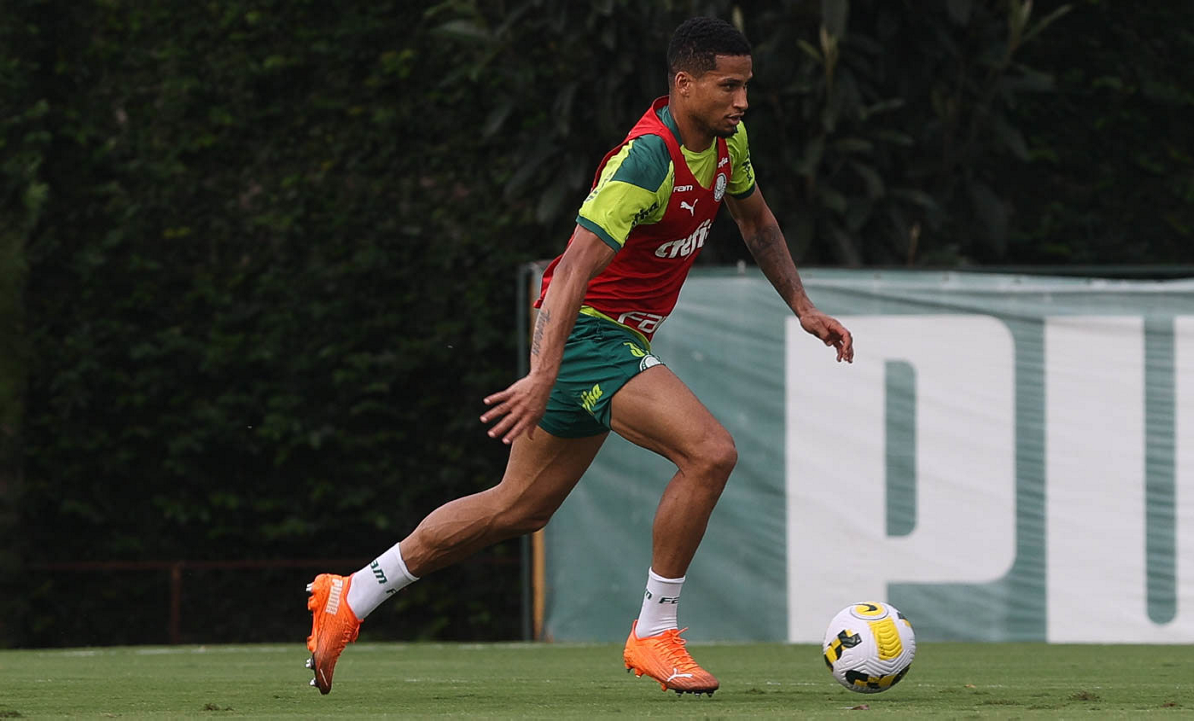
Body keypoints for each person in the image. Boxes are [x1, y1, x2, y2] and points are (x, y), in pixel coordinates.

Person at [304, 16, 853, 697]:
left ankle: (353, 594)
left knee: (516, 508)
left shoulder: (728, 143)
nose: (742, 102)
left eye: (746, 87)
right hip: (589, 336)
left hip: (610, 342)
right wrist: (543, 372)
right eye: (728, 87)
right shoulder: (644, 162)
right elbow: (568, 273)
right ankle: (654, 629)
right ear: (684, 85)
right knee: (710, 453)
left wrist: (802, 306)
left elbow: (756, 221)